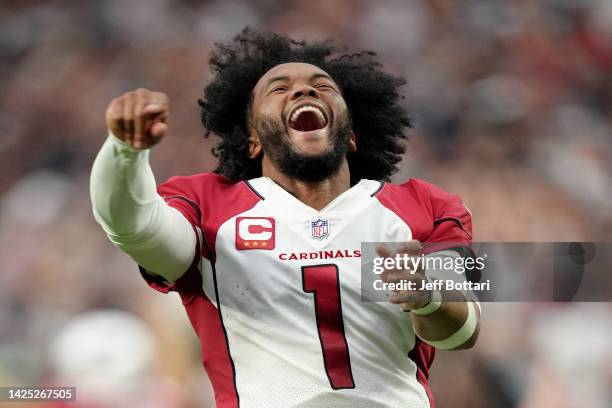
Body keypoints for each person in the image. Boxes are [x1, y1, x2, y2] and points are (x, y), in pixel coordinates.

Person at [90, 28, 480, 408]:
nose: (304, 90)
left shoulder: (426, 205)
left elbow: (463, 332)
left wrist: (428, 298)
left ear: (351, 136)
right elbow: (131, 224)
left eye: (323, 86)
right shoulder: (208, 207)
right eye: (278, 88)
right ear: (253, 139)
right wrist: (124, 151)